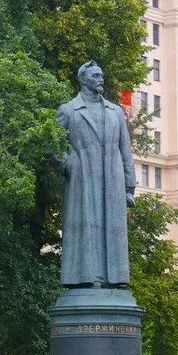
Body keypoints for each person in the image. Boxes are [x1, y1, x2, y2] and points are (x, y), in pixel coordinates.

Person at [47, 61, 136, 288]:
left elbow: (125, 151)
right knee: (86, 227)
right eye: (95, 75)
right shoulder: (68, 110)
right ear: (83, 79)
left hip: (112, 180)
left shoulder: (115, 112)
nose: (100, 79)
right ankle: (85, 279)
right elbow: (51, 145)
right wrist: (69, 165)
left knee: (111, 229)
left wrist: (129, 187)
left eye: (101, 75)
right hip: (82, 179)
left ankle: (113, 280)